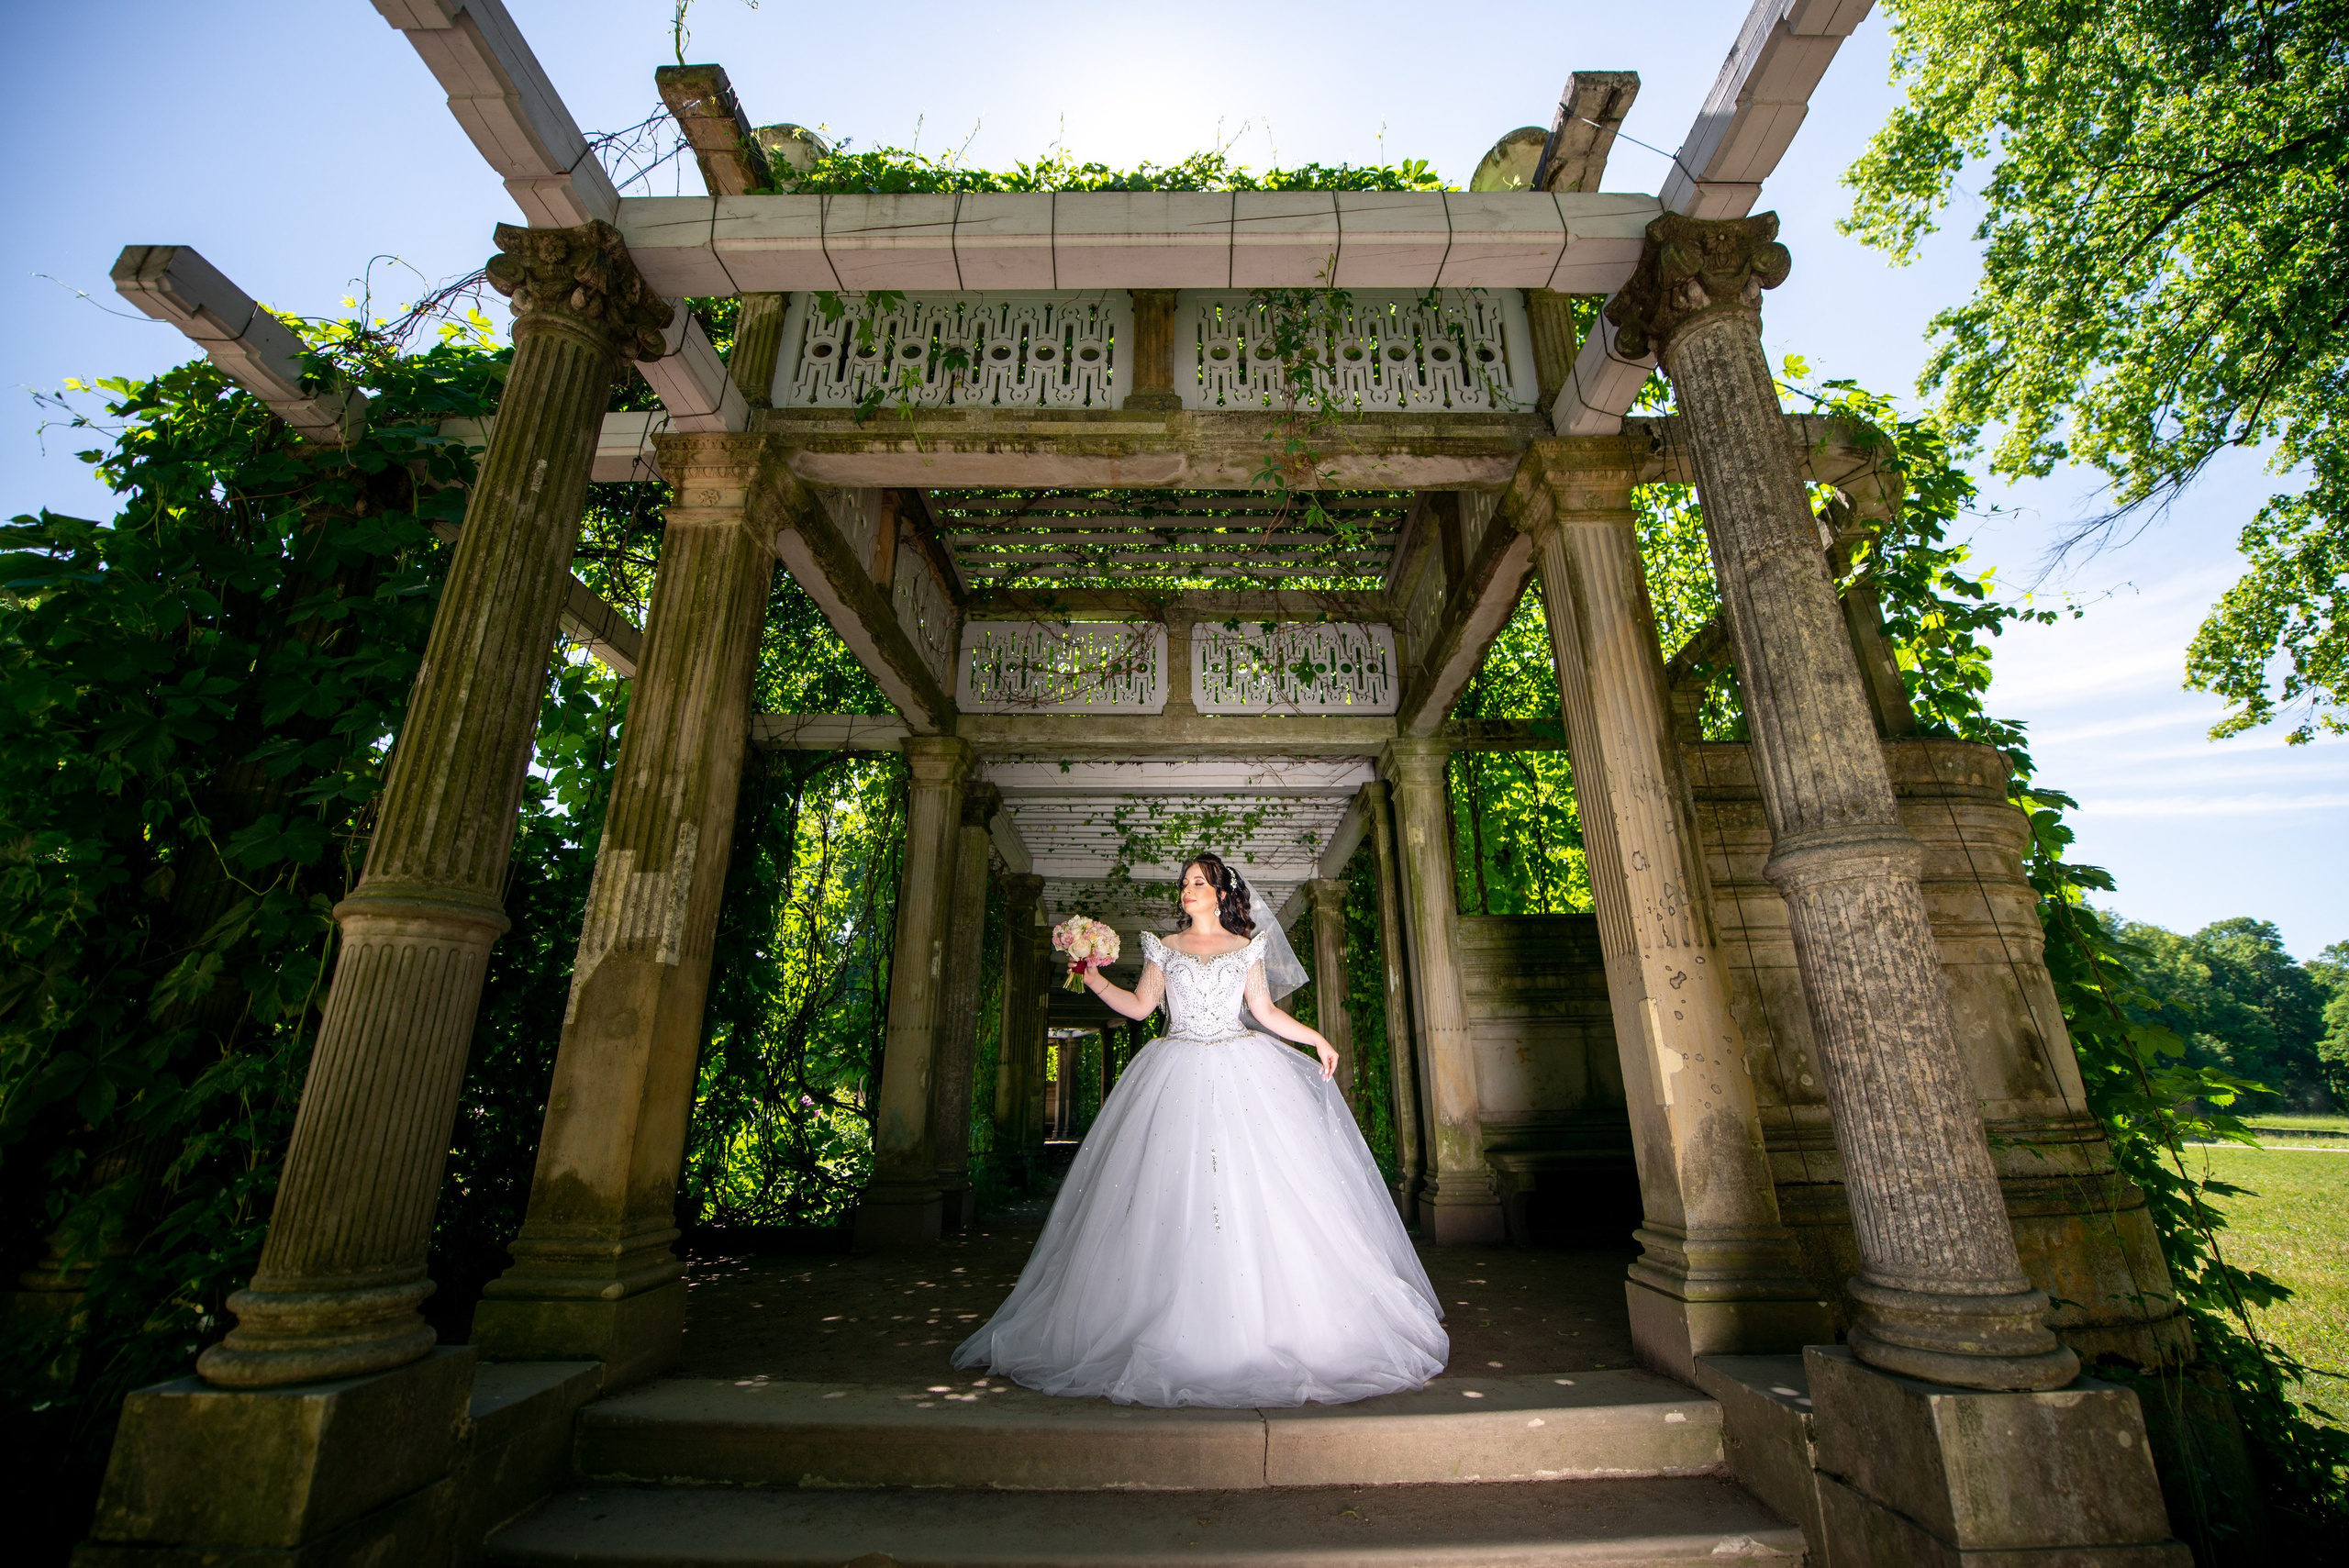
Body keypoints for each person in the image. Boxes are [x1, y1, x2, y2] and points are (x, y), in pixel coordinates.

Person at [952, 852, 1447, 1407]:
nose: (1187, 890)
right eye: (1184, 882)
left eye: (1198, 882)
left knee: (1254, 1190)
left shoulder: (1248, 948)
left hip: (1243, 1071)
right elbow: (1140, 1009)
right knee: (1170, 1193)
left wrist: (1316, 1038)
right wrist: (1091, 976)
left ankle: (1268, 1323)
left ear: (1219, 893)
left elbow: (1263, 1011)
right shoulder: (1163, 946)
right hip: (1176, 1069)